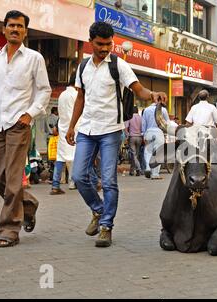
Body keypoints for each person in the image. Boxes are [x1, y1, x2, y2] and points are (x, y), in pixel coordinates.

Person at [66, 22, 167, 248]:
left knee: (109, 181)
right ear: (90, 41)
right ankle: (99, 210)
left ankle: (106, 227)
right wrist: (72, 126)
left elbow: (137, 88)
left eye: (108, 44)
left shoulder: (119, 65)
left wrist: (152, 94)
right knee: (79, 176)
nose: (104, 48)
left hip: (111, 131)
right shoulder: (82, 67)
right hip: (87, 129)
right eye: (100, 44)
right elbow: (80, 99)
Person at [0, 10, 52, 247]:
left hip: (19, 124)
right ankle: (28, 204)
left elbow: (44, 90)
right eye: (11, 26)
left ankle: (9, 229)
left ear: (25, 31)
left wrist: (30, 113)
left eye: (19, 26)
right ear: (3, 29)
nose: (15, 29)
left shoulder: (34, 58)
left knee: (14, 178)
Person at [50, 73, 78, 195]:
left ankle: (55, 185)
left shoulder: (62, 95)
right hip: (74, 129)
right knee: (79, 156)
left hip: (63, 130)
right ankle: (88, 182)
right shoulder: (76, 95)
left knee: (60, 158)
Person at [142, 102, 170, 180]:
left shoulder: (146, 110)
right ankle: (155, 174)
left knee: (148, 152)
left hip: (149, 132)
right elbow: (167, 123)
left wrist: (144, 134)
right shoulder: (163, 110)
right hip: (159, 132)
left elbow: (143, 123)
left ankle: (147, 167)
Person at [125, 107, 143, 176]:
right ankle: (132, 170)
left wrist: (127, 136)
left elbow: (126, 128)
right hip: (139, 137)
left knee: (133, 154)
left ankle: (138, 169)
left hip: (132, 137)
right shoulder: (141, 118)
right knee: (136, 155)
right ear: (137, 111)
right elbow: (142, 128)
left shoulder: (129, 117)